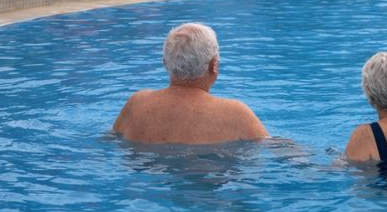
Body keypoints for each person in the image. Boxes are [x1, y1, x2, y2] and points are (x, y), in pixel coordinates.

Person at [112, 22, 270, 144]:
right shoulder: (236, 114)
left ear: (165, 64)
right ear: (213, 65)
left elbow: (110, 140)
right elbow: (276, 149)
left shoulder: (136, 104)